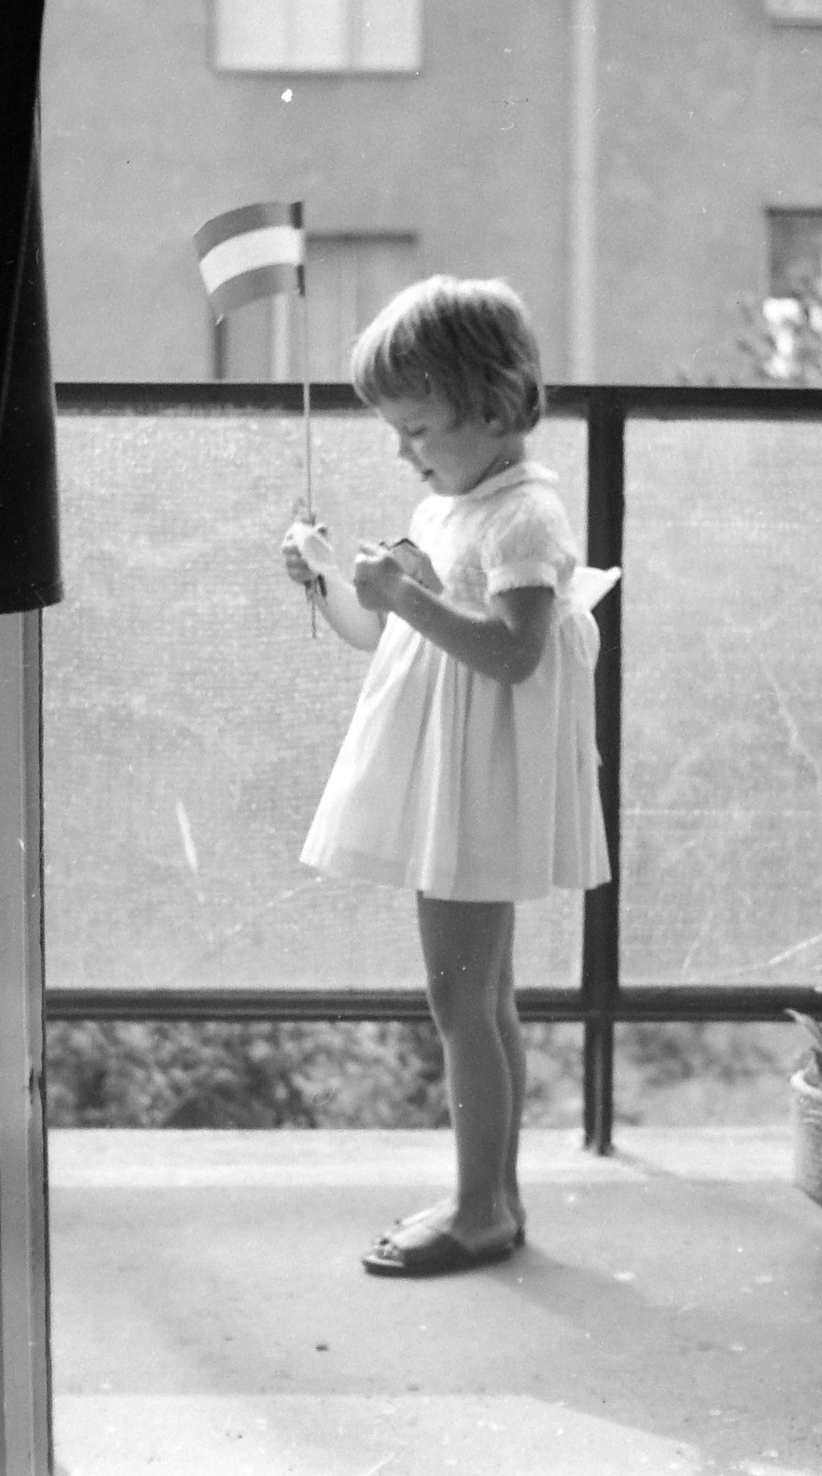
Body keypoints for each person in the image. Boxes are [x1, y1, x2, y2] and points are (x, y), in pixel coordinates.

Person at [281, 275, 614, 1278]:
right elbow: (386, 642)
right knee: (483, 997)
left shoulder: (522, 521)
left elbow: (512, 653)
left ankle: (478, 1209)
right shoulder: (455, 507)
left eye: (417, 427)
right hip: (453, 785)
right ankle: (493, 1197)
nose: (405, 451)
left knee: (458, 999)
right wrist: (336, 583)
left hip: (474, 793)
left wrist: (403, 594)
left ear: (491, 405)